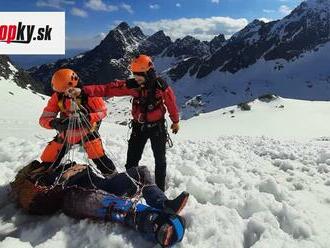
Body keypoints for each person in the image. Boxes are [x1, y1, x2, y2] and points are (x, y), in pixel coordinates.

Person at [67, 55, 180, 191]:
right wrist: (82, 91)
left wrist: (175, 121)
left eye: (139, 75)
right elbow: (107, 89)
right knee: (132, 160)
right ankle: (130, 188)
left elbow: (171, 103)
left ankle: (160, 191)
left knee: (160, 160)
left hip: (158, 128)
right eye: (134, 74)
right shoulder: (132, 86)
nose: (135, 77)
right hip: (139, 128)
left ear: (148, 73)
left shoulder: (160, 87)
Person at [39, 68, 116, 174]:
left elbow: (102, 112)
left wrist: (89, 117)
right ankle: (42, 175)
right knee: (49, 157)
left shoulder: (90, 94)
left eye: (66, 91)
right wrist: (54, 123)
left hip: (88, 131)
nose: (65, 94)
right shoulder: (57, 97)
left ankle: (112, 176)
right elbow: (43, 119)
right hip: (67, 132)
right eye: (61, 92)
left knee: (98, 156)